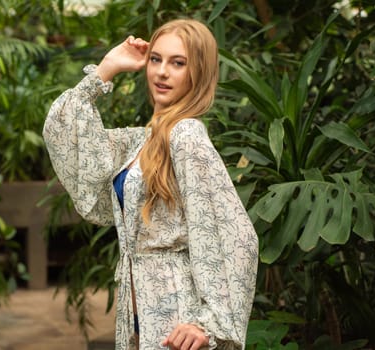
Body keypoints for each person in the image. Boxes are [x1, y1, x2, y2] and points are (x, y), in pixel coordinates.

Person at [43, 18, 259, 350]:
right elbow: (63, 131)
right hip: (139, 313)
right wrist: (108, 67)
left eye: (178, 63)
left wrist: (209, 323)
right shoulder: (141, 142)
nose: (161, 72)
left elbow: (236, 236)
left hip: (177, 317)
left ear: (198, 72)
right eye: (156, 59)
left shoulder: (186, 136)